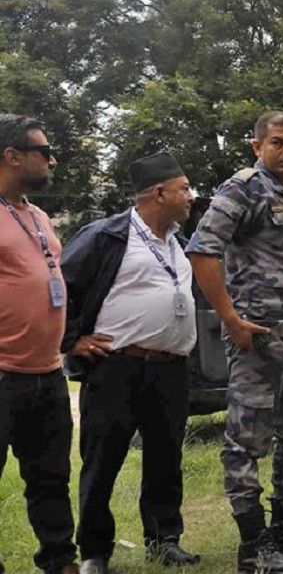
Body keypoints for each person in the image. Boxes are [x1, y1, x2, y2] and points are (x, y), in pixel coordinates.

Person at [186, 111, 283, 574]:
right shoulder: (242, 188)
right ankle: (253, 546)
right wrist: (230, 319)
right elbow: (202, 250)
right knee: (246, 442)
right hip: (258, 340)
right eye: (278, 143)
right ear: (257, 146)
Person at [60, 152, 201, 573]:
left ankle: (164, 539)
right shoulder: (106, 235)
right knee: (102, 460)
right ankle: (94, 552)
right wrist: (70, 340)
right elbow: (59, 286)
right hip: (116, 368)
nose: (191, 196)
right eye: (184, 188)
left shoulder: (175, 241)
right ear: (158, 193)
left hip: (170, 370)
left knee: (166, 457)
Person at [0, 114, 80, 574]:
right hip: (3, 372)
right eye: (44, 152)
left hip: (47, 372)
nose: (52, 159)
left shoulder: (38, 214)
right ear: (12, 156)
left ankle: (59, 561)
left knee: (51, 477)